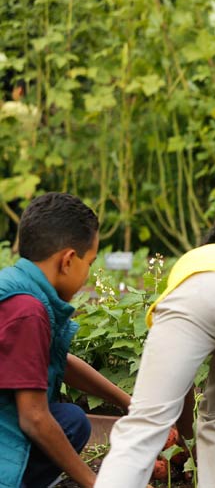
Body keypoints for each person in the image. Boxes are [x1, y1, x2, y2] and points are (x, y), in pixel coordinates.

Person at [95, 214, 215, 488]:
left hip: (199, 291)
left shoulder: (202, 257)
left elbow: (181, 383)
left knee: (146, 422)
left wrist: (186, 441)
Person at [0, 192, 131, 488]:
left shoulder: (18, 287)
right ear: (69, 260)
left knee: (71, 420)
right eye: (90, 262)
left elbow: (58, 361)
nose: (89, 273)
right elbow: (33, 417)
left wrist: (126, 401)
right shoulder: (27, 311)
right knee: (58, 422)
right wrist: (95, 482)